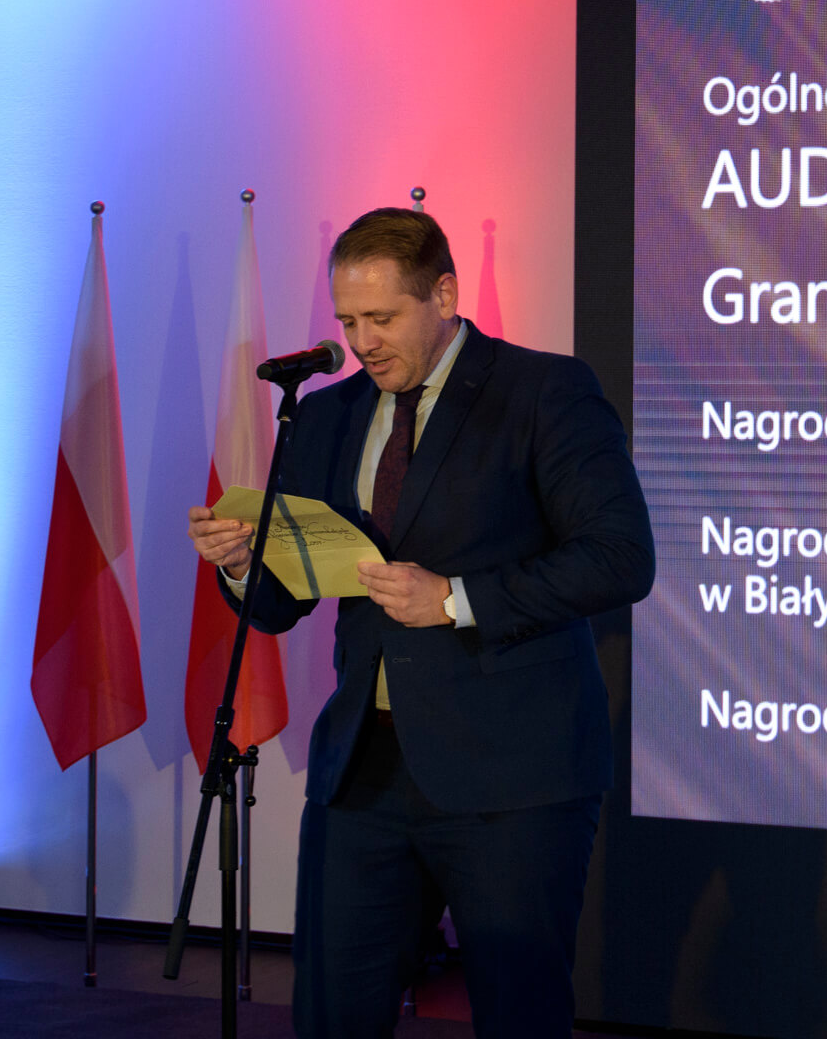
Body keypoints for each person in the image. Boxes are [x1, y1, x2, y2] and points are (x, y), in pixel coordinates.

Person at [187, 207, 653, 1038]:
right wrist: (240, 563)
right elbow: (285, 603)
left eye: (382, 318)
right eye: (347, 322)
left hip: (512, 775)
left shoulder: (544, 392)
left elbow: (620, 558)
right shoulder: (326, 415)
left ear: (443, 295)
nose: (362, 342)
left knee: (519, 1018)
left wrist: (455, 599)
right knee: (332, 1016)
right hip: (363, 772)